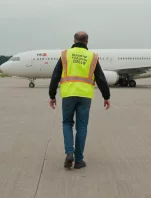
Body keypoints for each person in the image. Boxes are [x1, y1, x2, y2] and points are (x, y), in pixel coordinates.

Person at [49, 31, 111, 169]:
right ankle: (78, 160)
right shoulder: (92, 57)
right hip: (85, 96)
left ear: (74, 40)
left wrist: (52, 95)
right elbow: (101, 78)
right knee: (82, 127)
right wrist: (106, 97)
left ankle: (69, 152)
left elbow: (55, 75)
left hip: (68, 94)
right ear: (87, 42)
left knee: (67, 123)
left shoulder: (65, 54)